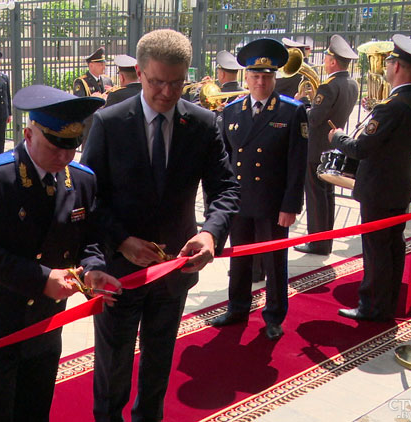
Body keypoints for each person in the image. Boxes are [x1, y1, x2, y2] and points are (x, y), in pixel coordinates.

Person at [81, 29, 240, 422]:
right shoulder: (108, 122)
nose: (167, 92)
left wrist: (209, 233)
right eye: (156, 82)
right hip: (119, 275)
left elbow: (227, 190)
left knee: (158, 362)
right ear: (139, 72)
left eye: (176, 82)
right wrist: (121, 242)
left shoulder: (203, 124)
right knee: (113, 366)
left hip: (174, 271)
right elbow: (88, 198)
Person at [0, 84, 119, 422]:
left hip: (46, 323)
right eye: (55, 145)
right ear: (29, 134)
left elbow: (88, 239)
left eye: (72, 146)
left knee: (35, 411)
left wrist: (92, 269)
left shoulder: (82, 180)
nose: (64, 156)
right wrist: (41, 279)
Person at [212, 38, 308, 341]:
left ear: (275, 77)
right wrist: (220, 202)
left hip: (272, 201)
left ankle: (274, 315)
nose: (260, 82)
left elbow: (297, 163)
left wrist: (290, 205)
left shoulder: (291, 112)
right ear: (246, 77)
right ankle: (237, 307)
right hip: (240, 200)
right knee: (238, 257)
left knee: (274, 261)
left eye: (267, 76)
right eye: (255, 76)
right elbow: (223, 160)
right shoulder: (231, 111)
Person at [330, 34, 411, 322]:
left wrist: (337, 137)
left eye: (390, 61)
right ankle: (387, 302)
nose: (387, 66)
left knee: (376, 252)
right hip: (399, 187)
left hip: (378, 190)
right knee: (394, 247)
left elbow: (361, 148)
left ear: (396, 67)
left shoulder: (391, 106)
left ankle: (371, 306)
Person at [294, 34, 359, 256]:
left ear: (332, 62)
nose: (323, 63)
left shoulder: (329, 86)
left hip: (316, 147)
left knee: (315, 196)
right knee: (327, 195)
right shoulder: (352, 84)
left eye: (326, 59)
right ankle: (326, 239)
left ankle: (318, 242)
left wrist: (302, 103)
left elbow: (314, 119)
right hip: (333, 146)